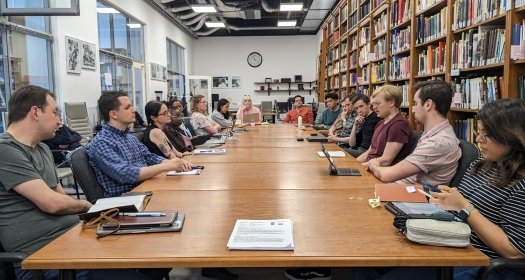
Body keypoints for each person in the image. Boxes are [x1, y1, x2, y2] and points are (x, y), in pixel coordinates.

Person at [352, 99, 525, 280]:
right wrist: (444, 201)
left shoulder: (520, 184)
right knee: (366, 265)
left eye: (487, 135)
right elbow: (460, 205)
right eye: (479, 132)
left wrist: (465, 207)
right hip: (450, 241)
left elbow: (514, 251)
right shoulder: (482, 165)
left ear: (512, 137)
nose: (479, 139)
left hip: (479, 261)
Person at [0, 85, 92, 280]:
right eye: (55, 113)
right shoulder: (5, 150)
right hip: (41, 259)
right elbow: (53, 203)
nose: (60, 121)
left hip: (69, 241)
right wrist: (87, 205)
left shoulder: (42, 149)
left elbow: (62, 198)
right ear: (35, 112)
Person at [88, 91, 193, 197]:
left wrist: (172, 162)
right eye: (128, 107)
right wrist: (166, 166)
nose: (134, 110)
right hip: (127, 200)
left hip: (145, 188)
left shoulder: (128, 136)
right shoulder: (102, 142)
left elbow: (148, 157)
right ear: (113, 114)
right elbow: (125, 174)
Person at [368, 80, 461, 185]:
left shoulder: (438, 142)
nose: (412, 110)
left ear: (428, 105)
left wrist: (374, 165)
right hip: (403, 187)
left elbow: (387, 175)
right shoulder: (432, 134)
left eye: (416, 103)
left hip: (416, 196)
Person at [356, 85, 413, 168]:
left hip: (379, 171)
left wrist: (360, 167)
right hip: (369, 167)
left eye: (377, 104)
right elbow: (370, 151)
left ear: (392, 103)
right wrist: (354, 164)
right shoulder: (381, 122)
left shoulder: (399, 124)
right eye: (373, 104)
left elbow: (386, 161)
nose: (374, 107)